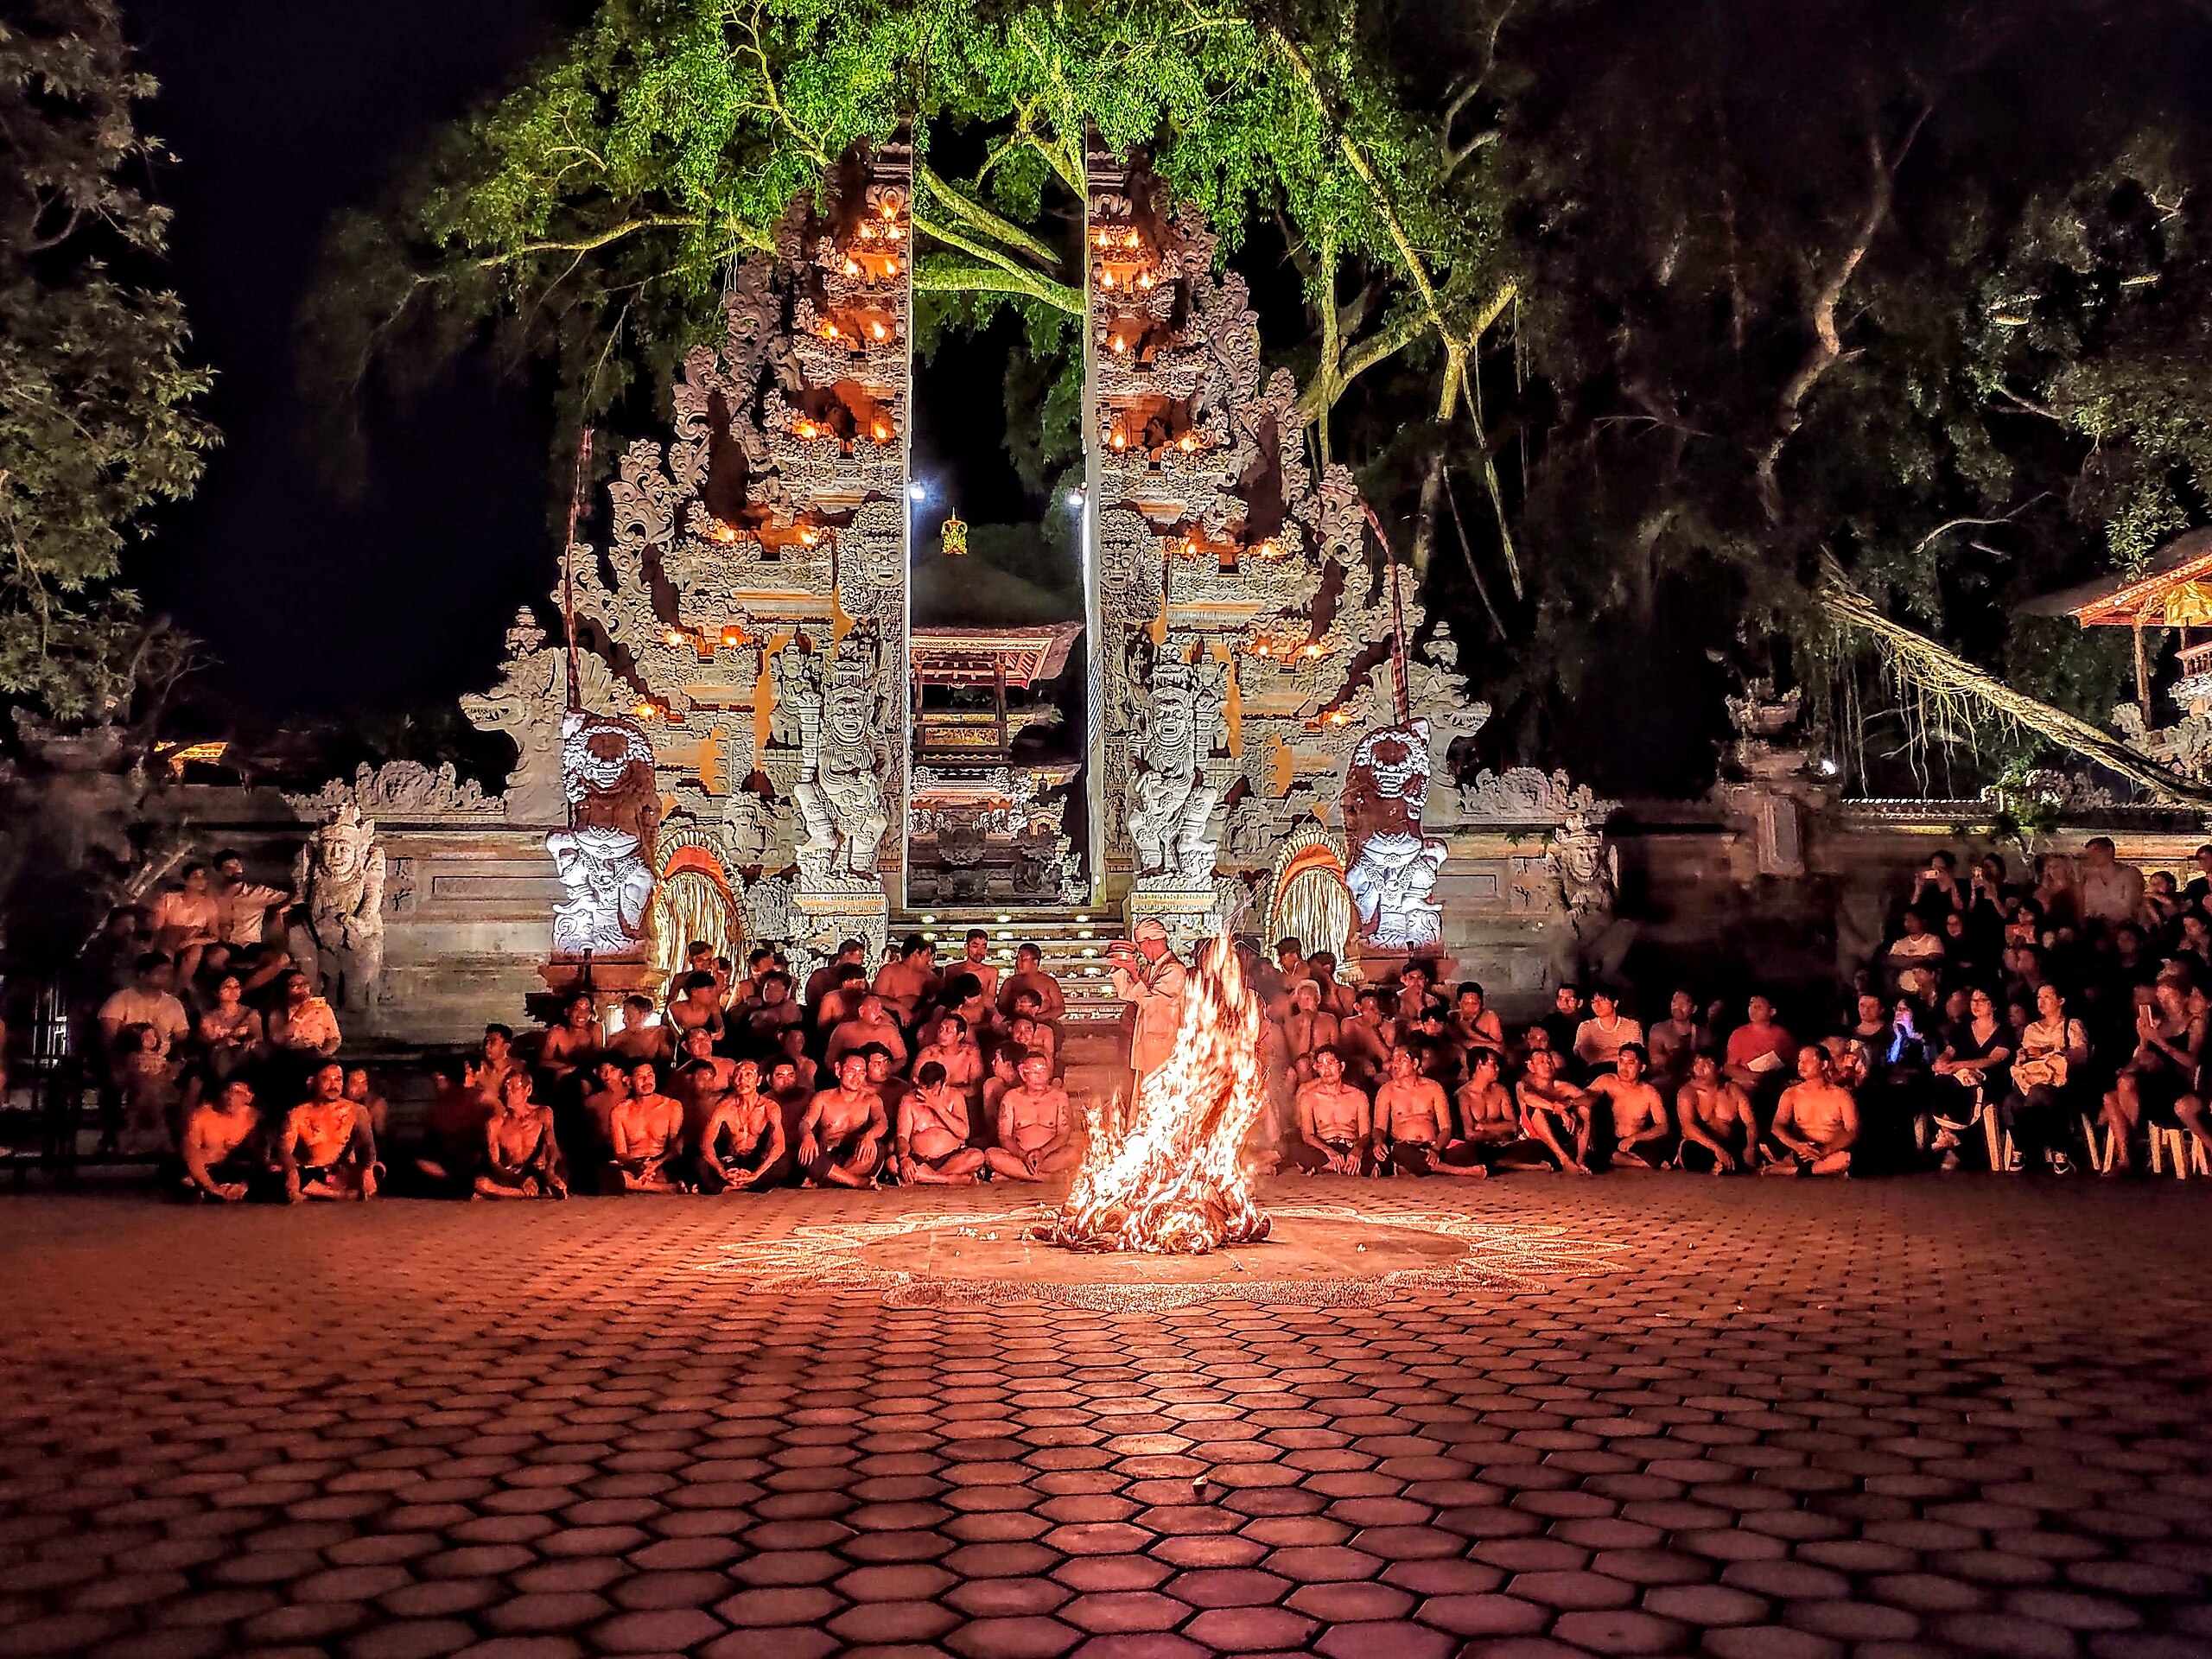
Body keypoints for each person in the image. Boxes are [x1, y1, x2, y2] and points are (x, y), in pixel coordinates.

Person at [2004, 983, 2090, 1175]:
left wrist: (2046, 1051)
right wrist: (2024, 1057)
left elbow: (2080, 1054)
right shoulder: (2032, 1029)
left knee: (2039, 1094)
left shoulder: (2071, 1025)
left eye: (2047, 997)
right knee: (2010, 1102)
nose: (2041, 1002)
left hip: (2061, 1083)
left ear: (2061, 1001)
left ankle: (2058, 1149)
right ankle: (2022, 1148)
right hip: (2032, 1078)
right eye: (2039, 998)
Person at [1374, 1045, 1484, 1177]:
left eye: (1400, 1059)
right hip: (1406, 1147)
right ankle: (1462, 1171)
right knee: (1400, 1151)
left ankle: (1413, 1168)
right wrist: (1379, 1142)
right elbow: (1379, 1127)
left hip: (1434, 1146)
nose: (1394, 1065)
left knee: (1471, 1151)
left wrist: (1436, 1149)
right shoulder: (1387, 1091)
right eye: (1393, 1059)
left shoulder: (1434, 1088)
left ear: (1415, 1063)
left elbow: (1446, 1128)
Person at [279, 1062, 378, 1201]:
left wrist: (367, 1170)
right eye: (326, 1079)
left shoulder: (356, 1111)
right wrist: (292, 1173)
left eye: (338, 1079)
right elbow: (284, 1150)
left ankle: (315, 1193)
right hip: (309, 1172)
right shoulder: (297, 1114)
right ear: (312, 1082)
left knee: (378, 1168)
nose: (333, 1085)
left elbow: (367, 1145)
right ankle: (336, 1195)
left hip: (340, 1173)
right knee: (275, 1173)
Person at [1109, 919, 1187, 1096]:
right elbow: (1129, 994)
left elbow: (1152, 1001)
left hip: (1164, 1041)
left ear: (1150, 941)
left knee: (1158, 1091)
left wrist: (1135, 973)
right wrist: (1121, 969)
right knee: (1143, 1092)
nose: (1142, 951)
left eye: (1142, 946)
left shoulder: (1174, 970)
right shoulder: (1152, 968)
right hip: (1146, 1039)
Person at [985, 1047, 1081, 1182]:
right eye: (1034, 1072)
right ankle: (1046, 1178)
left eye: (1043, 1071)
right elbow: (1005, 1136)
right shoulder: (1011, 1098)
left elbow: (1064, 1134)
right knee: (991, 1155)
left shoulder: (1059, 1097)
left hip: (1049, 1156)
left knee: (1073, 1154)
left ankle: (1016, 1175)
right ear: (1023, 1074)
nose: (1040, 1077)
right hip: (1020, 1157)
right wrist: (1023, 1156)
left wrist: (1042, 1152)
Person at [1763, 1045, 1859, 1176]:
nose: (1801, 1065)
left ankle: (1791, 1170)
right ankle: (1817, 1168)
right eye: (1799, 1061)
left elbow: (1852, 1131)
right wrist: (1797, 1146)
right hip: (1800, 1149)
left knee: (1846, 1158)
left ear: (1824, 1065)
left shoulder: (1841, 1096)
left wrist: (1827, 1150)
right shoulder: (1791, 1093)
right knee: (1765, 1144)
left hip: (1830, 1150)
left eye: (1807, 1061)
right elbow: (1778, 1125)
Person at [798, 1052, 888, 1188]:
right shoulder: (822, 1098)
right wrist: (807, 1136)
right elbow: (805, 1123)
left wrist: (870, 1136)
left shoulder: (871, 1099)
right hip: (826, 1156)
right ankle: (856, 1181)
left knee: (876, 1148)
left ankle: (828, 1180)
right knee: (807, 1154)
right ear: (838, 1069)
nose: (857, 1078)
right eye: (852, 1071)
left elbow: (882, 1123)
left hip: (854, 1157)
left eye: (862, 1073)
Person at [696, 1059, 786, 1192]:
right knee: (698, 1162)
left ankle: (737, 1185)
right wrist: (722, 1172)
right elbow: (706, 1144)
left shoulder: (770, 1107)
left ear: (759, 1080)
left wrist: (756, 1174)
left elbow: (779, 1146)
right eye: (738, 1075)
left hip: (757, 1163)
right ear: (733, 1081)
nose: (742, 1080)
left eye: (749, 1074)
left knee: (784, 1163)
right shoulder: (724, 1107)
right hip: (730, 1163)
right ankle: (741, 1185)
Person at [475, 1071, 568, 1199]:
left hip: (538, 1170)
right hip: (511, 1174)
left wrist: (550, 1171)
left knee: (560, 1169)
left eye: (514, 1088)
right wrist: (521, 1180)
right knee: (481, 1184)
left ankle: (539, 1188)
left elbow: (552, 1144)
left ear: (528, 1090)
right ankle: (532, 1193)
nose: (508, 1092)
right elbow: (494, 1163)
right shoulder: (495, 1124)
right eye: (506, 1088)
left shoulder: (542, 1113)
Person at [414, 1055, 498, 1193]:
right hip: (453, 1153)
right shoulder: (450, 1097)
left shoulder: (483, 1096)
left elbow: (498, 1122)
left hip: (473, 1152)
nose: (467, 1072)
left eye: (469, 1069)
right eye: (465, 1070)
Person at [895, 1061, 987, 1185]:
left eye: (933, 1090)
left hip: (952, 1159)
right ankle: (949, 1179)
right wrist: (904, 1158)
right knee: (892, 1164)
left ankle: (927, 1178)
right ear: (917, 1082)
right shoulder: (908, 1101)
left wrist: (938, 1107)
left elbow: (964, 1133)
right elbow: (902, 1137)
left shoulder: (955, 1096)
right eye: (924, 1088)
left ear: (944, 1084)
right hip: (920, 1160)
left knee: (977, 1156)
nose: (928, 1094)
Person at [98, 953, 192, 1072]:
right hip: (130, 1067)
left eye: (169, 973)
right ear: (143, 974)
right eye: (161, 973)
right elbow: (109, 1040)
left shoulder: (174, 1004)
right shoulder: (119, 1000)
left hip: (162, 1066)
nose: (167, 977)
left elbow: (182, 1039)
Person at [1285, 1046, 1371, 1173]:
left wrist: (1356, 1151)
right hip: (1323, 1148)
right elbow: (1307, 1135)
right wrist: (1328, 1151)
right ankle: (1339, 1166)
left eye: (1330, 1063)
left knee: (1377, 1154)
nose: (1326, 1070)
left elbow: (1365, 1135)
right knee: (1295, 1148)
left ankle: (1327, 1167)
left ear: (1342, 1067)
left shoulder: (1359, 1096)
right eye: (1322, 1065)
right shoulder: (1309, 1097)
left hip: (1350, 1147)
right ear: (1316, 1068)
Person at [176, 1077, 264, 1202]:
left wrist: (246, 1184)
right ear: (220, 1093)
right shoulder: (201, 1117)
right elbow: (190, 1155)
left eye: (238, 1093)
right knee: (185, 1182)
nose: (231, 1097)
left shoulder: (254, 1118)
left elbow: (260, 1158)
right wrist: (212, 1187)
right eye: (228, 1091)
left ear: (249, 1098)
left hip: (234, 1171)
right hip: (202, 1171)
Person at [1674, 1052, 1762, 1173]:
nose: (1699, 1070)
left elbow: (1750, 1123)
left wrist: (1751, 1147)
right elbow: (1688, 1127)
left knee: (1758, 1147)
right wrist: (1716, 1149)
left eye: (1706, 1065)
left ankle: (1723, 1165)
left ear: (1720, 1069)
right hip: (1704, 1145)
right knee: (1689, 1150)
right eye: (1696, 1064)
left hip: (1729, 1142)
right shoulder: (1687, 1093)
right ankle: (1717, 1165)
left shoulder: (1734, 1090)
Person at [606, 1061, 686, 1192]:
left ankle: (640, 1185)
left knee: (689, 1165)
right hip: (633, 1166)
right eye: (640, 1077)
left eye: (650, 1075)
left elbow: (675, 1149)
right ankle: (664, 1188)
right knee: (607, 1173)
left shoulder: (672, 1106)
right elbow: (620, 1153)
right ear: (629, 1081)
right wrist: (637, 1167)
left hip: (662, 1163)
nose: (646, 1081)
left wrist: (655, 1164)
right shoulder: (619, 1111)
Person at [1587, 1043, 1669, 1166]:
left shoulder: (1649, 1093)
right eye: (1621, 1061)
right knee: (1604, 1152)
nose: (1624, 1068)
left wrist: (1634, 1138)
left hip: (1636, 1142)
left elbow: (1663, 1126)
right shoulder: (1607, 1080)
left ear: (1642, 1067)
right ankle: (1640, 1163)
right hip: (1609, 1141)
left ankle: (1636, 1160)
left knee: (1661, 1151)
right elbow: (1585, 1095)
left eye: (1631, 1063)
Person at [1516, 1046, 1592, 1175]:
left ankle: (1581, 1160)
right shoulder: (1523, 1085)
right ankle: (1563, 1159)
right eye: (1542, 1062)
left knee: (1584, 1109)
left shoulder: (1562, 1087)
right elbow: (1528, 1098)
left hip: (1561, 1136)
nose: (1548, 1065)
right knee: (1536, 1110)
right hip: (1536, 1141)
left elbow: (1588, 1099)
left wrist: (1569, 1103)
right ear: (1531, 1067)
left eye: (1549, 1061)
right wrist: (1559, 1110)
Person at [150, 864, 224, 987]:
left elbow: (214, 936)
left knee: (194, 952)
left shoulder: (209, 905)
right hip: (168, 938)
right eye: (195, 876)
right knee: (166, 955)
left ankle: (178, 990)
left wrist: (191, 940)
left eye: (203, 877)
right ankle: (162, 987)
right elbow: (157, 926)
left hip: (192, 941)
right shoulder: (169, 899)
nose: (200, 880)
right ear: (185, 881)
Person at [212, 850, 292, 950]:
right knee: (215, 957)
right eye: (228, 867)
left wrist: (281, 910)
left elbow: (295, 897)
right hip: (224, 946)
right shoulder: (214, 895)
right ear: (220, 872)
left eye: (237, 864)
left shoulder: (257, 892)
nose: (235, 869)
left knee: (281, 959)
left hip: (251, 945)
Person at [194, 974, 264, 1081]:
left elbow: (259, 1039)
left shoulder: (251, 1014)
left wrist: (249, 1043)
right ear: (217, 992)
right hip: (220, 1062)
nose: (233, 991)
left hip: (246, 1058)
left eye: (237, 987)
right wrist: (228, 1039)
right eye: (227, 987)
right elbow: (207, 1044)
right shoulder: (208, 1019)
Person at [1722, 995, 1795, 1095]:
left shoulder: (1782, 1035)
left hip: (1775, 1087)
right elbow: (1728, 1068)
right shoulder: (1739, 1034)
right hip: (1747, 1087)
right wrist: (1755, 1077)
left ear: (1772, 1012)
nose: (1753, 1010)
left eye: (1759, 1007)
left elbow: (1793, 1063)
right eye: (1751, 1005)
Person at [267, 971, 342, 1061]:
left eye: (305, 984)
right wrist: (301, 1013)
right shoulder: (279, 1010)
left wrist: (324, 1054)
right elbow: (277, 1039)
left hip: (317, 1056)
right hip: (290, 1057)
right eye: (295, 985)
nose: (302, 988)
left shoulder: (321, 1007)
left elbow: (334, 1038)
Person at [2079, 836, 2145, 931]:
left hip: (2127, 928)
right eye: (2089, 853)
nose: (2091, 855)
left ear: (2109, 850)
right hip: (2097, 930)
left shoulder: (2130, 874)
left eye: (2096, 850)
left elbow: (2130, 907)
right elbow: (2089, 909)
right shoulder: (2090, 880)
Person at [828, 993, 909, 1070]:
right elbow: (830, 1061)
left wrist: (887, 1070)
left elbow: (902, 1059)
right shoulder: (843, 1030)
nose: (881, 1014)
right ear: (861, 1011)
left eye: (881, 1009)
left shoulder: (890, 1031)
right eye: (875, 1010)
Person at [1573, 988, 1643, 1076]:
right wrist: (1618, 1052)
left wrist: (1601, 1053)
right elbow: (1588, 1058)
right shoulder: (1585, 1027)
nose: (1597, 1005)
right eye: (1593, 1002)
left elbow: (1633, 1056)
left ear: (1615, 1003)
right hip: (1593, 1075)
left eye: (1602, 1000)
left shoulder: (1632, 1026)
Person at [914, 1014, 984, 1101]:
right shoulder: (928, 1054)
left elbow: (976, 1088)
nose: (942, 1034)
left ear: (960, 1036)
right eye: (941, 1029)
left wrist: (948, 1093)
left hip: (962, 1103)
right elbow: (914, 1083)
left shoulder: (971, 1054)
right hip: (930, 1101)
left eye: (948, 1031)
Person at [1283, 979, 1340, 1085]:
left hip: (1327, 1062)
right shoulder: (1291, 1023)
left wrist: (1321, 1060)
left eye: (1308, 999)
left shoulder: (1330, 1019)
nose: (1304, 1004)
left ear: (1318, 999)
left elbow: (1335, 1049)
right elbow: (1299, 1054)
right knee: (1302, 1064)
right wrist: (1307, 1023)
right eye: (1301, 1000)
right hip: (1305, 1068)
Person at [873, 936, 940, 1026]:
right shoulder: (889, 971)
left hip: (919, 1026)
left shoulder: (930, 977)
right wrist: (899, 1007)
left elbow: (936, 1004)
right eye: (927, 955)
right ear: (916, 953)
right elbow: (875, 998)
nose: (929, 960)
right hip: (891, 1023)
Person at [997, 943, 1067, 1025]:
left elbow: (1060, 1009)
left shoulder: (1049, 982)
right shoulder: (1010, 982)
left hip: (1043, 1025)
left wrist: (1037, 1018)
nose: (1018, 963)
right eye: (1017, 959)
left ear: (1035, 962)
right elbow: (1000, 1009)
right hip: (1015, 1026)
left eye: (1023, 959)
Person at [541, 992, 601, 1086]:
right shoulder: (557, 1032)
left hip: (590, 1076)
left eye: (587, 1009)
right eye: (578, 1008)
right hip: (565, 1078)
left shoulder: (595, 1028)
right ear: (567, 1011)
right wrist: (568, 1068)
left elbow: (600, 1059)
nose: (583, 1014)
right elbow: (544, 1062)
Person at [607, 994, 672, 1065]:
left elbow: (666, 1064)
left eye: (629, 1016)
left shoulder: (659, 1034)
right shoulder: (615, 1039)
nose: (625, 1020)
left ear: (644, 1015)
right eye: (624, 1015)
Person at [342, 1066, 389, 1144]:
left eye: (364, 1083)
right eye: (355, 1083)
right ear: (343, 1085)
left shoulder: (374, 1104)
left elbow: (381, 1136)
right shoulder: (334, 1106)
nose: (361, 1088)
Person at [953, 929, 1000, 1005]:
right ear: (966, 947)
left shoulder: (991, 972)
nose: (980, 951)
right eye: (975, 946)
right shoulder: (952, 970)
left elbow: (991, 1003)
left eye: (983, 947)